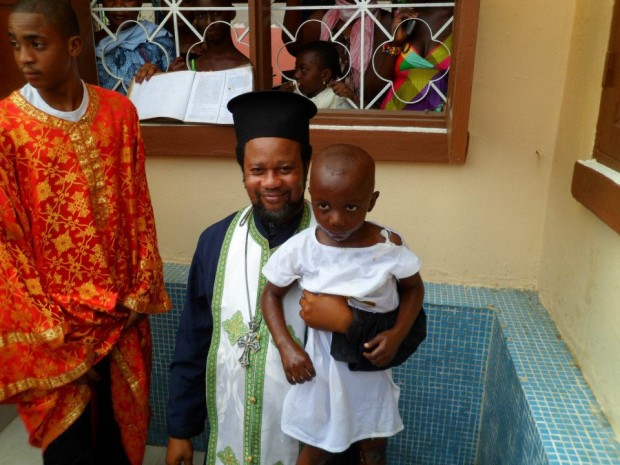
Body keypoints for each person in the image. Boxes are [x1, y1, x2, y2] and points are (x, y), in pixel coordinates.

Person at [1, 1, 171, 465]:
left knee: (119, 442)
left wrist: (139, 293)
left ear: (74, 45)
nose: (24, 58)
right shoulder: (7, 128)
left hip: (122, 316)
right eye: (16, 45)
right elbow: (6, 246)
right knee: (70, 451)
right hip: (57, 332)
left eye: (37, 44)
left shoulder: (118, 113)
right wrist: (55, 339)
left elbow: (138, 207)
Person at [261, 144, 425, 465]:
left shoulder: (388, 247)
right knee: (316, 446)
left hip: (370, 371)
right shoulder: (303, 248)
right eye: (323, 206)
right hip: (322, 373)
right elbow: (270, 294)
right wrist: (286, 347)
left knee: (373, 443)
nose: (336, 220)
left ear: (371, 201)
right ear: (311, 195)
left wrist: (397, 334)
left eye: (351, 207)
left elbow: (414, 289)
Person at [282, 0, 395, 106]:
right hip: (324, 104)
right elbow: (293, 45)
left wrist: (394, 46)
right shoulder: (325, 15)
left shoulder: (384, 20)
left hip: (363, 108)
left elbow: (375, 86)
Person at [378, 4, 453, 111]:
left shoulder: (462, 22)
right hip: (393, 114)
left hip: (436, 118)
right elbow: (380, 84)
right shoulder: (404, 18)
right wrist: (395, 43)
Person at [94, 0, 175, 94]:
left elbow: (173, 88)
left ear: (140, 2)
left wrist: (160, 75)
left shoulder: (158, 39)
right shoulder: (90, 43)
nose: (118, 5)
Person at [169, 0, 250, 72]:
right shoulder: (189, 68)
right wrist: (170, 76)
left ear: (232, 13)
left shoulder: (247, 67)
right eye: (201, 15)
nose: (209, 22)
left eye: (216, 13)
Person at [281, 40, 357, 109]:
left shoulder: (338, 100)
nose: (296, 75)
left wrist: (353, 98)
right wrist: (282, 99)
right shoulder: (295, 92)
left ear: (325, 75)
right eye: (296, 68)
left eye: (303, 69)